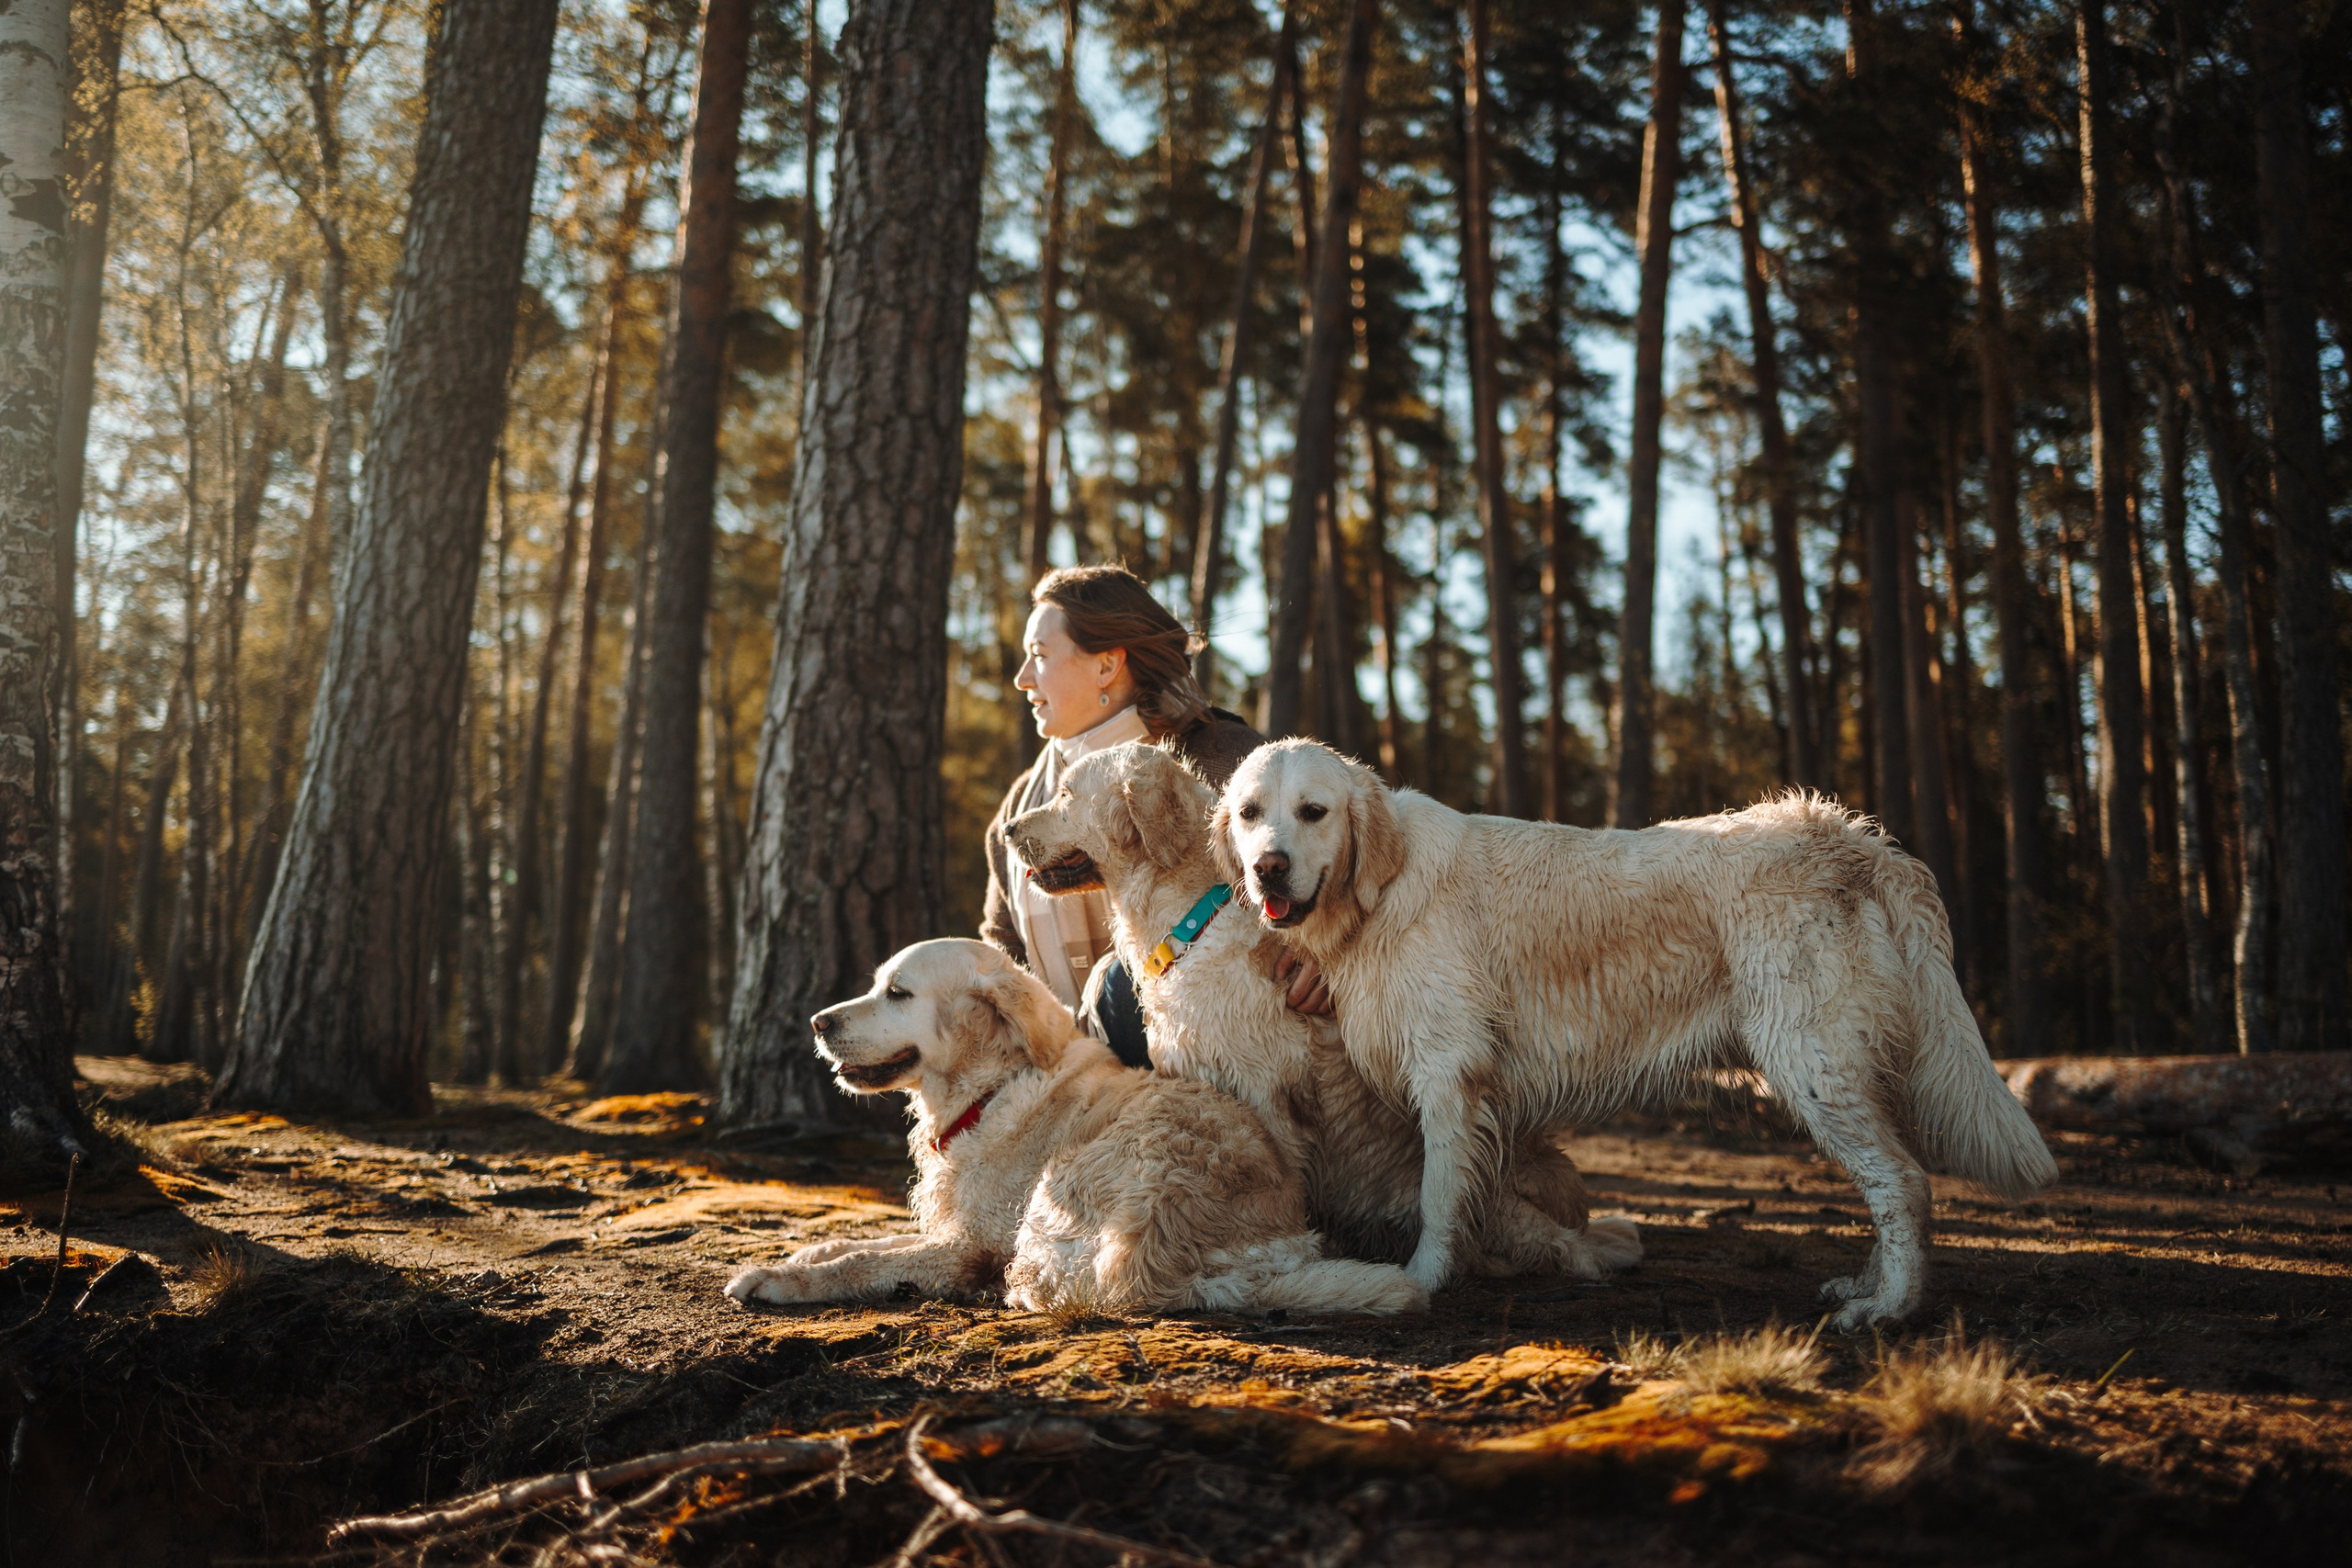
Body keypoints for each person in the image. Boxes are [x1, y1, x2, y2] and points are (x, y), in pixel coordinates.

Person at [982, 565, 1329, 1066]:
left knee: (1118, 982)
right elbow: (1003, 948)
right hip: (1076, 1078)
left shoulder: (1221, 756)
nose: (1022, 678)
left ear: (1106, 666)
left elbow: (1332, 854)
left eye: (1039, 656)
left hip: (1247, 1052)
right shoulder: (1021, 807)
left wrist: (1324, 955)